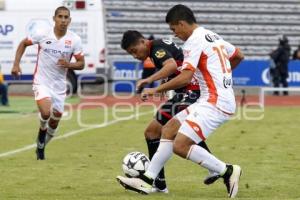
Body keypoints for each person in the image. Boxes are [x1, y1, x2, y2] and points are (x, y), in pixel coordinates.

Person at [117, 4, 244, 198]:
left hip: (215, 102)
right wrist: (219, 77)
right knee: (167, 130)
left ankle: (226, 170)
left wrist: (154, 89)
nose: (175, 35)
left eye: (174, 29)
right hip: (208, 98)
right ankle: (148, 180)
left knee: (180, 146)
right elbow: (238, 55)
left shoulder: (193, 41)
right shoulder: (212, 36)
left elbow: (184, 78)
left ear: (182, 24)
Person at [121, 30, 217, 193]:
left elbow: (171, 65)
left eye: (134, 50)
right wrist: (167, 82)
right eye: (131, 54)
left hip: (191, 92)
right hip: (185, 92)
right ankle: (160, 184)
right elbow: (178, 64)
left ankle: (215, 168)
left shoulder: (156, 48)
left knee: (160, 131)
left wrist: (150, 82)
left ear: (143, 42)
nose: (135, 56)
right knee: (159, 131)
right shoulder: (157, 46)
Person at [11, 6, 85, 160]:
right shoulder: (43, 34)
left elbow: (81, 64)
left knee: (55, 119)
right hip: (41, 81)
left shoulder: (74, 40)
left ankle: (41, 145)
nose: (63, 20)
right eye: (60, 17)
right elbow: (23, 44)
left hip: (59, 85)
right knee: (45, 112)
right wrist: (16, 64)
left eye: (66, 17)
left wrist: (69, 64)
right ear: (54, 18)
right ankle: (42, 132)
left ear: (69, 20)